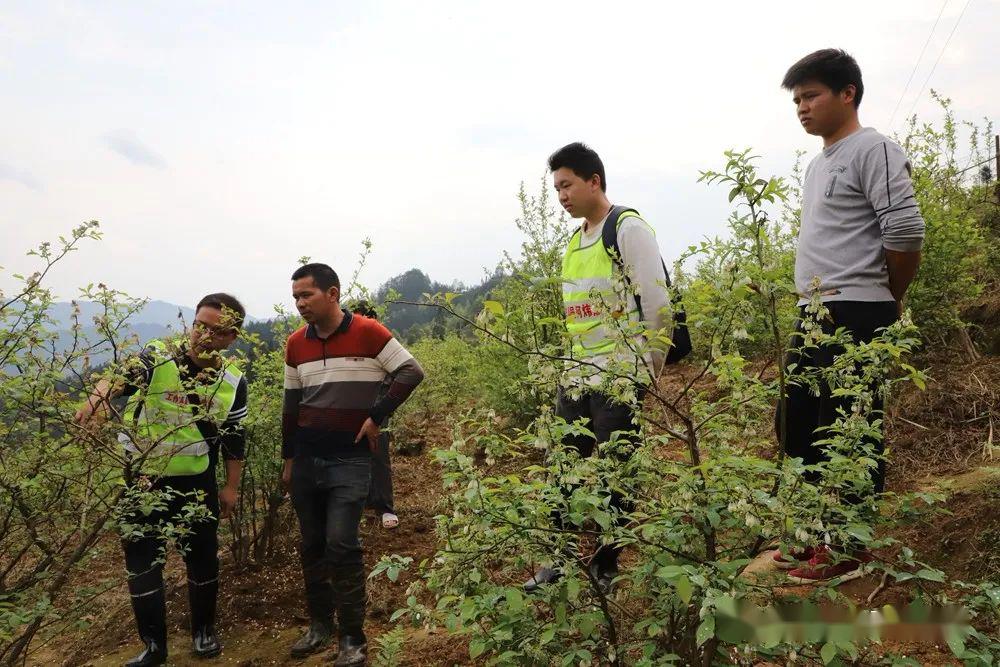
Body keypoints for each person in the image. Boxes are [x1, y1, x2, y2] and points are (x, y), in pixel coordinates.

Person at [774, 49, 925, 583]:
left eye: (811, 95)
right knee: (798, 428)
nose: (802, 107)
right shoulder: (818, 165)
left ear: (848, 94)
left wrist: (888, 296)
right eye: (796, 99)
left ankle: (848, 546)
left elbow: (905, 232)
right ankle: (812, 537)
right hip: (812, 309)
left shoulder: (874, 149)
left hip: (855, 307)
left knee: (849, 426)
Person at [524, 142, 673, 595]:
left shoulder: (627, 229)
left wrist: (648, 372)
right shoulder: (573, 243)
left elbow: (658, 303)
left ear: (594, 181)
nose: (562, 196)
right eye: (556, 188)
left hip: (618, 375)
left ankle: (607, 564)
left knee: (615, 470)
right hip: (577, 375)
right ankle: (561, 561)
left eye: (567, 185)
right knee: (563, 466)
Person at [75, 293, 249, 666]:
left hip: (196, 483)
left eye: (214, 330)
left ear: (230, 336)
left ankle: (203, 633)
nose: (202, 334)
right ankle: (154, 646)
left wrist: (231, 487)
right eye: (199, 324)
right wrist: (96, 400)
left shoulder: (232, 381)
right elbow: (117, 379)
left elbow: (235, 438)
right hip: (142, 482)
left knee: (202, 560)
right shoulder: (159, 357)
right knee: (142, 562)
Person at [282, 264, 424, 666]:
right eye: (295, 297)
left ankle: (352, 638)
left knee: (341, 543)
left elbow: (411, 371)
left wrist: (376, 416)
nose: (299, 304)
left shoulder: (368, 332)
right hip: (307, 457)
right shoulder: (296, 343)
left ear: (332, 293)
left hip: (350, 456)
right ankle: (319, 627)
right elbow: (291, 407)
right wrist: (288, 459)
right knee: (311, 545)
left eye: (306, 295)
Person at [349, 301, 399, 531]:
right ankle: (365, 501)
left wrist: (382, 407)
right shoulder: (347, 342)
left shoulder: (381, 341)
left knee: (378, 453)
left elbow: (397, 373)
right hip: (350, 407)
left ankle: (386, 508)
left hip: (377, 406)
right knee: (353, 453)